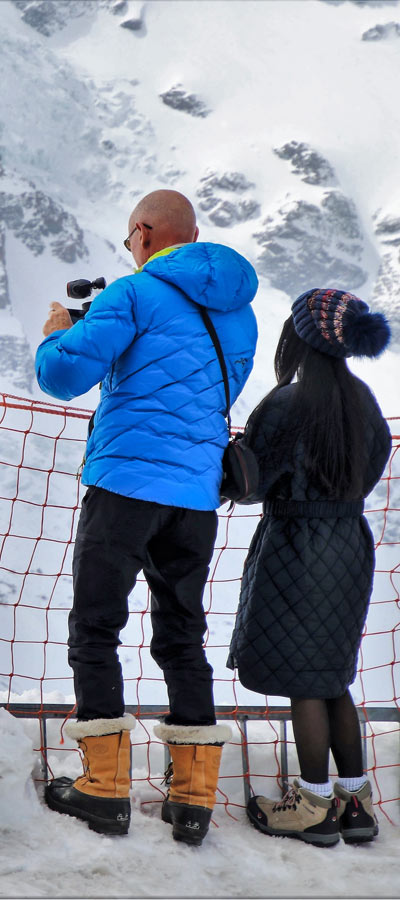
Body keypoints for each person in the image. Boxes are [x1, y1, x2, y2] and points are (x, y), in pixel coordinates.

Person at [35, 190, 258, 844]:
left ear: (142, 233)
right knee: (182, 635)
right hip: (194, 498)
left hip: (125, 485)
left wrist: (59, 331)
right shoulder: (239, 314)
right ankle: (193, 799)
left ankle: (103, 788)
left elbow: (63, 374)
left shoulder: (131, 295)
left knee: (96, 625)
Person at [230, 289, 391, 847]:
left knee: (304, 679)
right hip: (350, 542)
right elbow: (371, 469)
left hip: (296, 544)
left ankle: (312, 804)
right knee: (332, 677)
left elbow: (249, 483)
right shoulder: (365, 403)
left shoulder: (285, 403)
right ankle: (354, 803)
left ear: (299, 337)